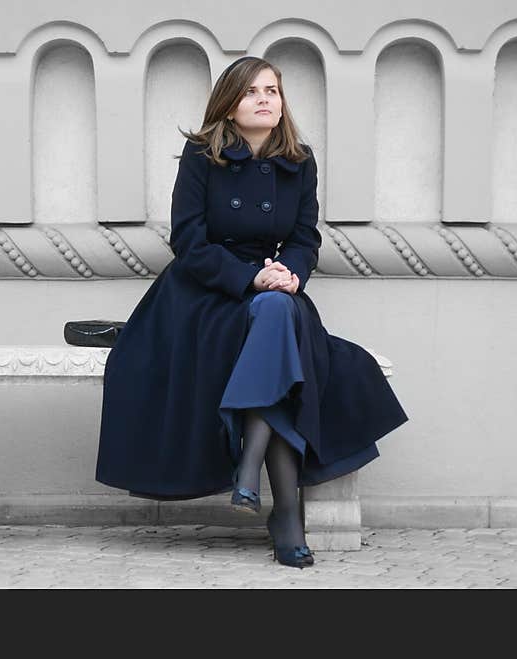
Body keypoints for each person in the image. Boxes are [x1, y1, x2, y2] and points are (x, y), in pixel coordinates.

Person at [95, 56, 408, 568]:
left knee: (279, 315)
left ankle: (250, 467)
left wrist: (291, 274)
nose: (265, 99)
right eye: (251, 92)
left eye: (273, 90)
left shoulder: (300, 161)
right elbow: (188, 242)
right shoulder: (202, 155)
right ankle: (285, 511)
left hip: (275, 286)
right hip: (205, 294)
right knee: (281, 337)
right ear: (229, 103)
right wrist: (251, 278)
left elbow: (305, 237)